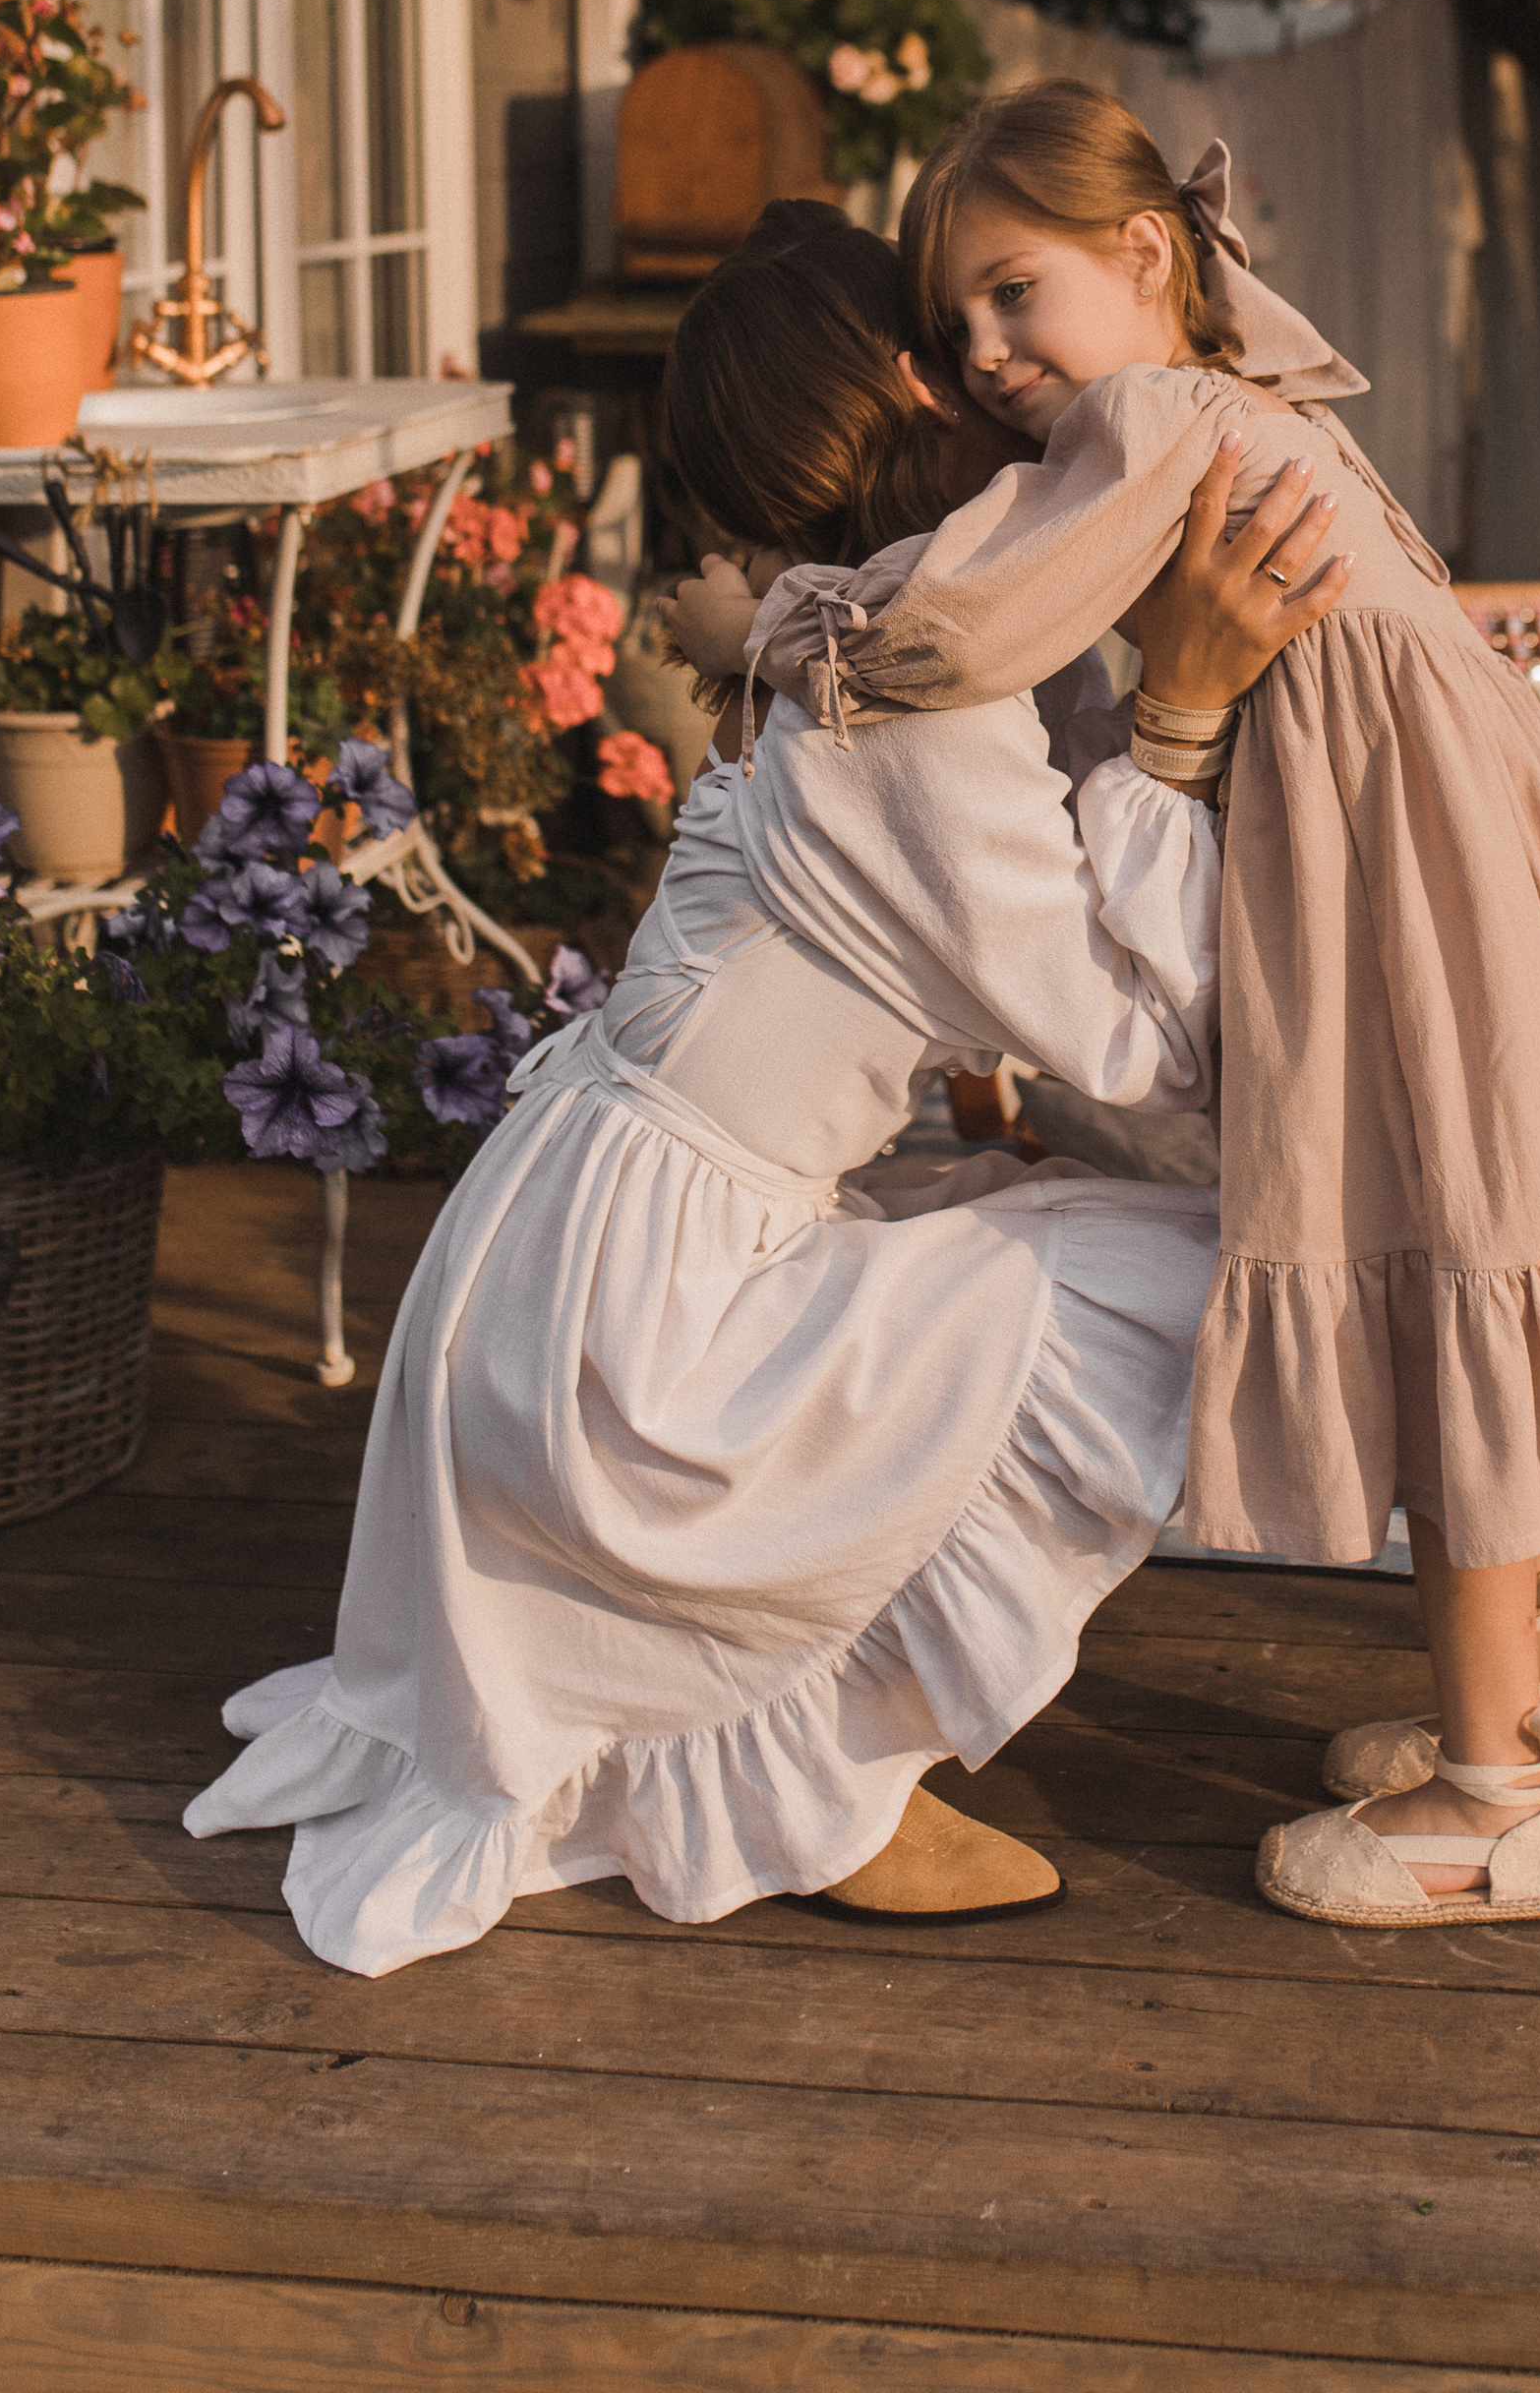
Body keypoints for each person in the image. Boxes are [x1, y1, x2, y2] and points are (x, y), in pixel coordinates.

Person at [682, 85, 1540, 1935]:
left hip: (1391, 885)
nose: (981, 359)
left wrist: (788, 634)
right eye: (953, 324)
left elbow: (974, 627)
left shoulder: (1140, 419)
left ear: (1145, 256)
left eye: (1010, 294)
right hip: (1456, 861)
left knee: (1439, 1252)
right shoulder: (1249, 391)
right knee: (1494, 1233)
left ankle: (1492, 1801)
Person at [183, 202, 1341, 1972]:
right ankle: (820, 1783)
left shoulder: (853, 645)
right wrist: (1184, 714)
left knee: (1031, 1242)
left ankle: (794, 1736)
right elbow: (1136, 1036)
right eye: (959, 340)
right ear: (908, 379)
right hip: (634, 1319)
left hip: (570, 1230)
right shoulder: (902, 712)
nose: (1002, 370)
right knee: (1187, 1287)